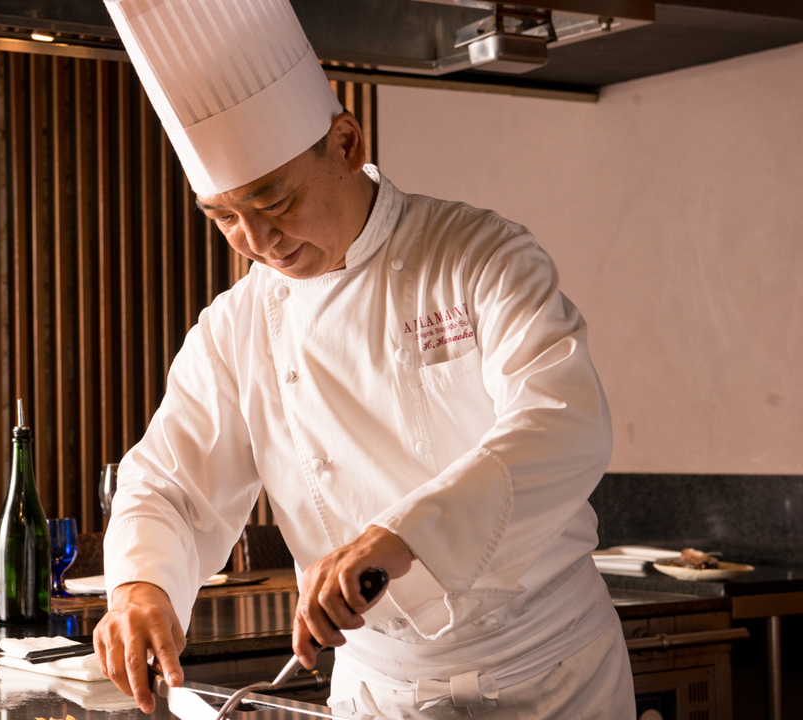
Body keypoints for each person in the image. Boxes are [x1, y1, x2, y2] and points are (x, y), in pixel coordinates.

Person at [92, 0, 635, 717]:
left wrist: (401, 536)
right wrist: (140, 586)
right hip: (384, 695)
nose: (254, 241)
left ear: (345, 143)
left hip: (552, 678)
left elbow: (563, 423)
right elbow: (168, 486)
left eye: (274, 201)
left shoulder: (477, 256)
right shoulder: (237, 329)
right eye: (223, 217)